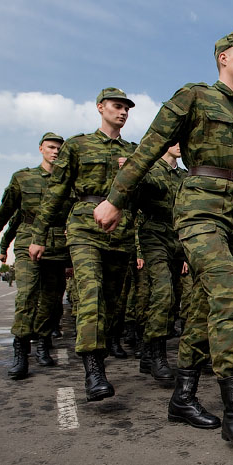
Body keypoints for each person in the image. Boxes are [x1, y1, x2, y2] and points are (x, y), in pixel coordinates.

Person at [93, 32, 233, 451]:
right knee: (230, 297)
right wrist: (114, 199)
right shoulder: (194, 96)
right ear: (223, 57)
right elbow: (151, 146)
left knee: (200, 306)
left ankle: (184, 397)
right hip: (199, 210)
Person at [30, 92, 137, 400]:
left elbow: (146, 195)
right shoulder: (77, 145)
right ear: (100, 108)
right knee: (91, 295)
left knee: (112, 302)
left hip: (120, 231)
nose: (123, 113)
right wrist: (39, 235)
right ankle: (94, 370)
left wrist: (134, 171)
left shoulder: (134, 151)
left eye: (127, 109)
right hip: (84, 227)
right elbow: (56, 192)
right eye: (117, 106)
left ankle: (101, 354)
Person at [0, 132, 69, 378]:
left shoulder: (68, 180)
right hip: (27, 242)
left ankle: (42, 343)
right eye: (51, 147)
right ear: (41, 148)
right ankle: (20, 351)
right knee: (27, 295)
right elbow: (4, 213)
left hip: (58, 247)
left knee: (52, 300)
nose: (55, 152)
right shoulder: (23, 178)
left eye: (59, 148)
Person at [136, 143, 187, 383]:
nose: (178, 145)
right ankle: (157, 355)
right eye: (174, 140)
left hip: (178, 237)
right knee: (163, 292)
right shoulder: (149, 169)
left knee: (174, 297)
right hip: (154, 233)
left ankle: (147, 352)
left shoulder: (184, 175)